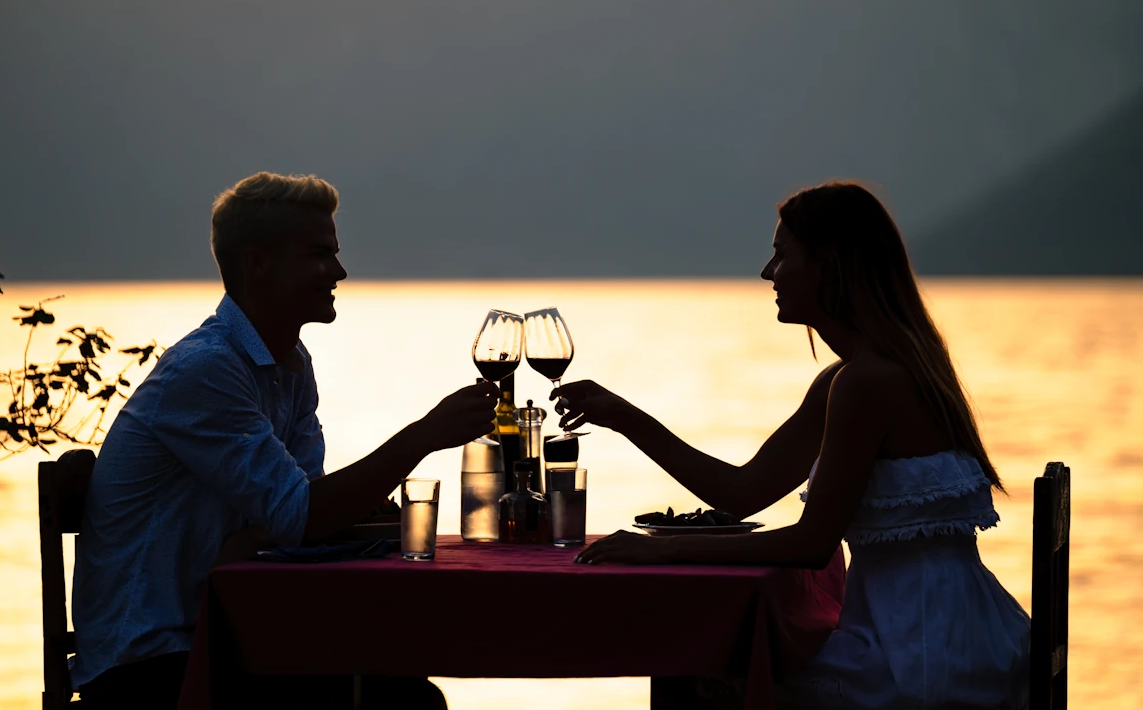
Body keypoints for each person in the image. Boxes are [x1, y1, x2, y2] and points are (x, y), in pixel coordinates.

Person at [553, 182, 1030, 709]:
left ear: (828, 265)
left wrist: (661, 548)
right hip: (954, 628)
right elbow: (742, 491)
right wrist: (622, 416)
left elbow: (811, 543)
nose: (766, 272)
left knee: (698, 674)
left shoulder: (863, 384)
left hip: (918, 655)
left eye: (782, 255)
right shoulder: (854, 377)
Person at [71, 172, 497, 709]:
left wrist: (312, 524)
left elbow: (299, 521)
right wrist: (425, 436)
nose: (340, 272)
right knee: (405, 703)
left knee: (406, 687)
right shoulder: (206, 370)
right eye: (320, 255)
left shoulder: (290, 367)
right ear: (258, 264)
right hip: (151, 667)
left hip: (234, 638)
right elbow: (302, 516)